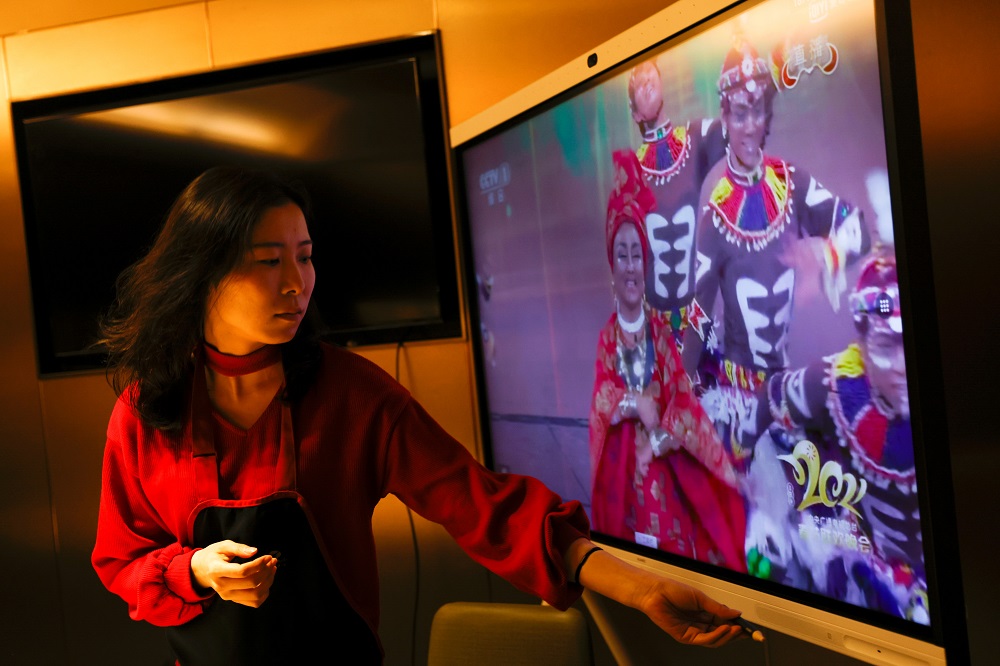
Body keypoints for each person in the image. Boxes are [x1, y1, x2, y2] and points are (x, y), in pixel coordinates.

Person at [91, 166, 753, 665]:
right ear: (201, 274)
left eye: (305, 255)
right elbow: (122, 562)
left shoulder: (349, 394)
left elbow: (484, 506)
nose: (298, 283)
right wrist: (193, 572)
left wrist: (638, 589)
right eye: (269, 262)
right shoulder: (146, 413)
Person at [681, 36, 870, 471]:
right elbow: (696, 319)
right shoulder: (714, 223)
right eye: (739, 113)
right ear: (725, 118)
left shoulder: (793, 185)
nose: (749, 126)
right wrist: (682, 408)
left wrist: (827, 256)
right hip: (736, 406)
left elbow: (858, 228)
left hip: (784, 396)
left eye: (758, 111)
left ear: (768, 115)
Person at [744, 251, 927, 622]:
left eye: (911, 343)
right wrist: (758, 492)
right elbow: (770, 397)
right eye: (886, 348)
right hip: (876, 574)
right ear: (861, 348)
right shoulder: (837, 386)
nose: (904, 367)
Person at [588, 150, 746, 572]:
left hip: (667, 481)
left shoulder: (661, 330)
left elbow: (682, 404)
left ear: (647, 263)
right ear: (612, 263)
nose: (630, 266)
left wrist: (661, 438)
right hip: (626, 487)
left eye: (637, 254)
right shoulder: (608, 336)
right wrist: (629, 403)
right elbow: (601, 403)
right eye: (622, 254)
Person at [627, 58, 726, 336]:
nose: (646, 79)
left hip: (700, 324)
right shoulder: (630, 174)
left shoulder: (696, 137)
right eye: (638, 83)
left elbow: (737, 124)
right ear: (634, 114)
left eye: (651, 74)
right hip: (657, 334)